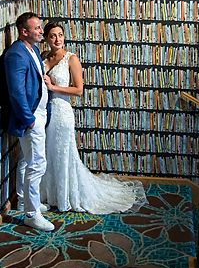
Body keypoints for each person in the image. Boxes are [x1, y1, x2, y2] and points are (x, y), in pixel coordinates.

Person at [40, 22, 147, 213]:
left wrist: (53, 87)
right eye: (53, 36)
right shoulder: (44, 56)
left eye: (61, 35)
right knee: (48, 153)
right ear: (46, 39)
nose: (57, 39)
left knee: (64, 154)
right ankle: (51, 195)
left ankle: (65, 198)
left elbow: (79, 90)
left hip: (61, 113)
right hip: (44, 112)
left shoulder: (71, 59)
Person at [0, 12, 55, 232]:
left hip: (38, 114)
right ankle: (31, 214)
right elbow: (16, 91)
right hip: (30, 118)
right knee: (37, 164)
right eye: (37, 28)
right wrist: (29, 120)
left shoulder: (30, 50)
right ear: (24, 31)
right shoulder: (16, 54)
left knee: (25, 160)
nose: (42, 31)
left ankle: (24, 201)